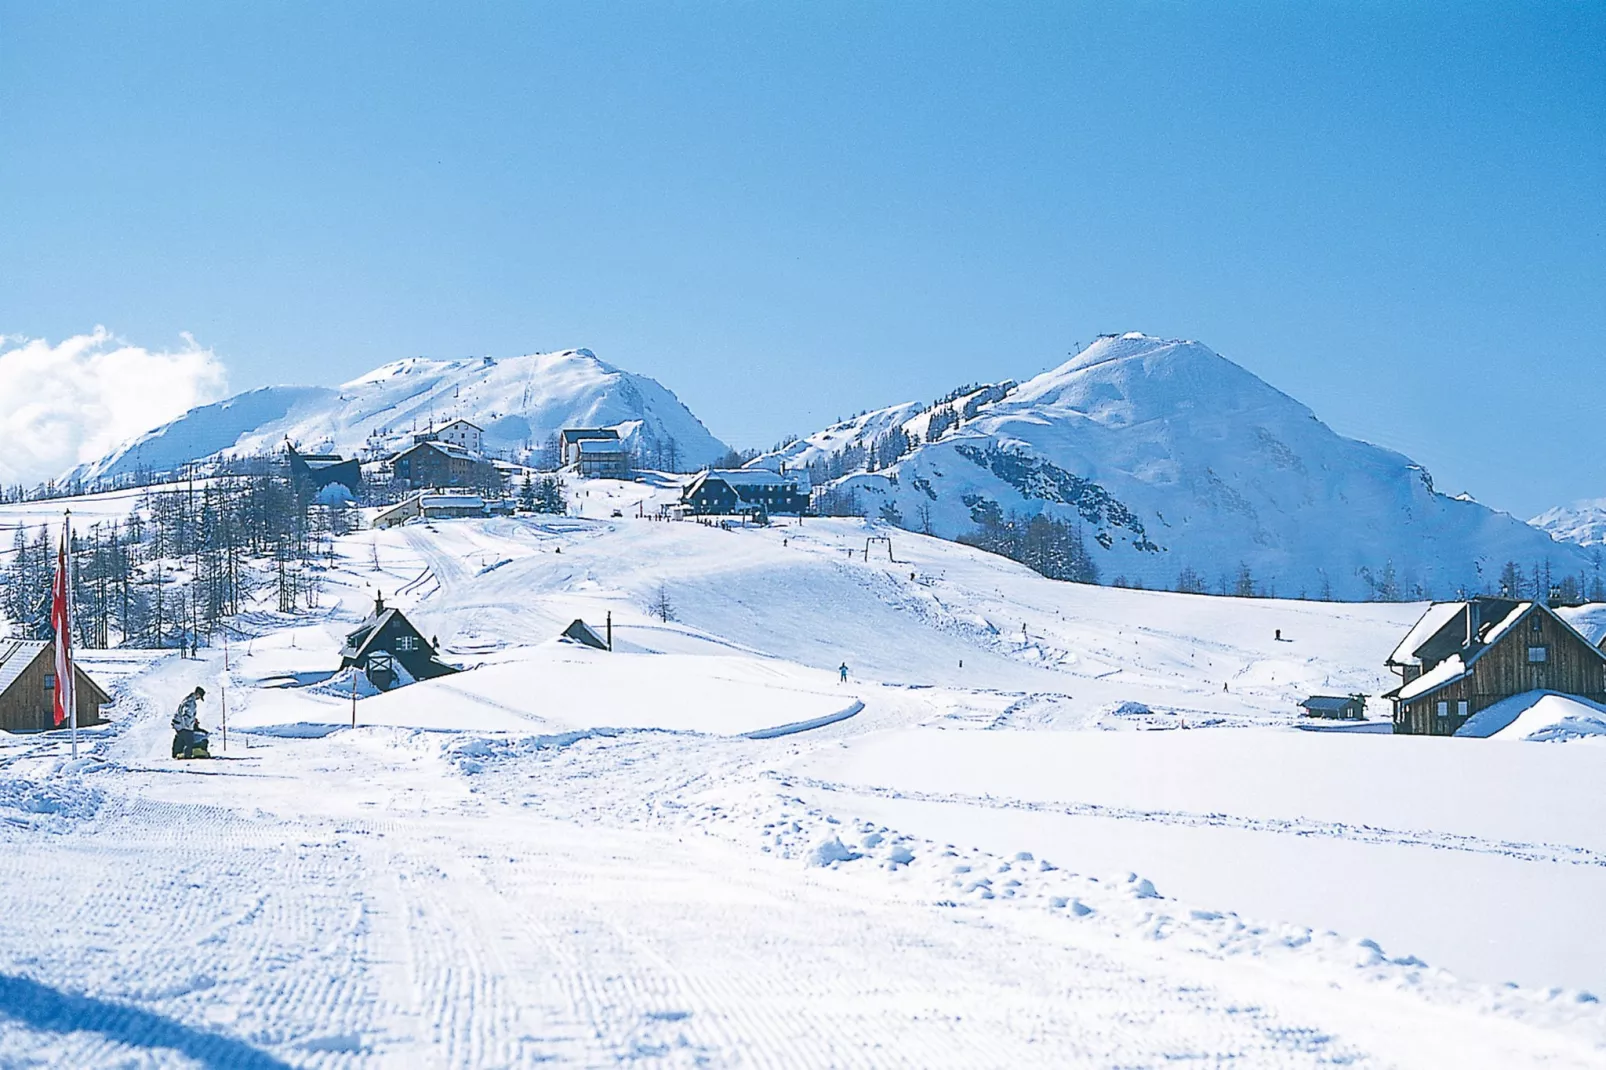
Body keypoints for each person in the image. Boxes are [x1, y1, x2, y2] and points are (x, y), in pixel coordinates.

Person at [172, 686, 206, 759]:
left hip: (180, 724)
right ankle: (187, 758)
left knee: (184, 740)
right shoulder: (191, 702)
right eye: (199, 696)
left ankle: (179, 754)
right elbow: (186, 714)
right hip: (184, 725)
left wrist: (193, 720)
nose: (199, 698)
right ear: (197, 694)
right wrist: (188, 726)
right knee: (189, 742)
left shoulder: (188, 700)